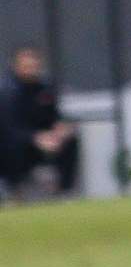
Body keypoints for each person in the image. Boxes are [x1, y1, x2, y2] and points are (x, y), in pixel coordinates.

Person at [1, 45, 79, 198]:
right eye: (26, 66)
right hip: (13, 147)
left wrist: (60, 129)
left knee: (70, 141)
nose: (31, 69)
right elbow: (9, 129)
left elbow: (54, 117)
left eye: (34, 65)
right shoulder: (7, 92)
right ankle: (15, 191)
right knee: (11, 146)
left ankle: (64, 191)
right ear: (16, 66)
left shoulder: (44, 89)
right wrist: (35, 138)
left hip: (41, 143)